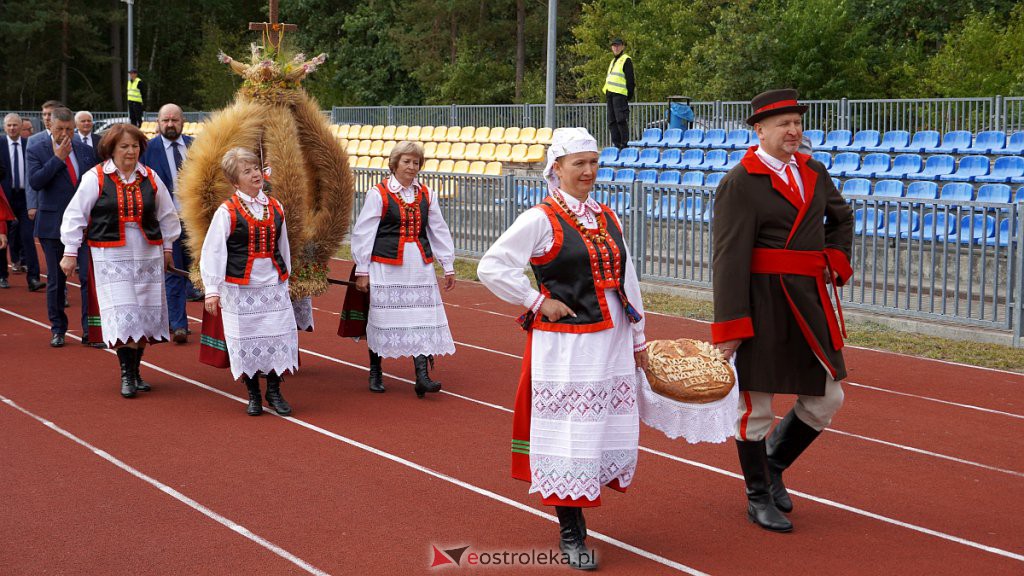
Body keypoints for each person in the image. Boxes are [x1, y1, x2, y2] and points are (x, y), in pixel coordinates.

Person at [478, 127, 648, 571]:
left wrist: (639, 338)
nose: (589, 171)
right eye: (579, 164)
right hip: (567, 344)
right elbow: (492, 266)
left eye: (593, 162)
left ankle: (581, 508)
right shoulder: (540, 218)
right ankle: (571, 531)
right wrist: (538, 301)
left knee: (598, 427)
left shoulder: (608, 216)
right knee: (570, 431)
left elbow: (628, 281)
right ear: (557, 169)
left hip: (609, 338)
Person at [711, 89, 854, 533]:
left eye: (797, 122)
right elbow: (729, 259)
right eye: (783, 124)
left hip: (808, 301)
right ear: (760, 130)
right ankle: (757, 497)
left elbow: (841, 219)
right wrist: (731, 327)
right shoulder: (740, 181)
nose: (793, 131)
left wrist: (834, 259)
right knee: (756, 408)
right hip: (762, 301)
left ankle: (772, 466)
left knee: (827, 397)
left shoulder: (813, 170)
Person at [59, 123, 181, 397]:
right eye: (124, 146)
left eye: (135, 146)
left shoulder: (150, 176)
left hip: (147, 253)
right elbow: (75, 215)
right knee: (124, 314)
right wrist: (69, 252)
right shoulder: (96, 177)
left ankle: (136, 371)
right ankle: (126, 374)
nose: (130, 151)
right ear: (111, 149)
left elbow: (168, 215)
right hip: (111, 254)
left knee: (144, 314)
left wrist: (168, 248)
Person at [349, 141, 456, 398]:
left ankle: (422, 376)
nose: (411, 166)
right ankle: (376, 370)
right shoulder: (379, 193)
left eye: (415, 162)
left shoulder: (427, 194)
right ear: (395, 163)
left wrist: (448, 264)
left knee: (423, 319)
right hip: (386, 265)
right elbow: (364, 231)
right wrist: (362, 269)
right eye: (406, 161)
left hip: (418, 265)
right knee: (382, 318)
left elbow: (437, 229)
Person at [200, 147, 298, 416]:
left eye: (256, 168)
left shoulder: (275, 206)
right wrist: (212, 290)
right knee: (246, 341)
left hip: (272, 284)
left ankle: (275, 391)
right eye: (247, 171)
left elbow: (284, 244)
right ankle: (253, 394)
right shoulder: (227, 211)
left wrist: (285, 277)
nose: (255, 174)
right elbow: (214, 250)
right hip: (240, 288)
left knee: (278, 337)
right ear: (235, 181)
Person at [26, 106, 98, 348]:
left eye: (69, 129)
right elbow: (36, 182)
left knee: (88, 277)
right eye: (59, 129)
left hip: (86, 226)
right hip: (53, 225)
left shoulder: (87, 151)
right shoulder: (37, 150)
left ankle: (90, 330)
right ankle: (58, 328)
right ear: (50, 127)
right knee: (57, 280)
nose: (64, 134)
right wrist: (58, 158)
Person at [140, 103, 198, 344]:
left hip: (195, 221)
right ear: (158, 123)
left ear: (182, 121)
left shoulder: (196, 147)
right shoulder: (148, 150)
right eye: (166, 120)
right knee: (173, 272)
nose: (170, 124)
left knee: (200, 273)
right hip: (167, 221)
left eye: (175, 120)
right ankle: (179, 324)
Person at [602, 38, 635, 149]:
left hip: (620, 94)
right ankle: (616, 144)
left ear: (622, 47)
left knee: (620, 119)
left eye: (618, 46)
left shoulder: (626, 59)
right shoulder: (613, 61)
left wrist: (628, 95)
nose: (615, 48)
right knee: (612, 121)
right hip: (610, 94)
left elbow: (630, 80)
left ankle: (624, 144)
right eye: (614, 46)